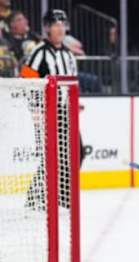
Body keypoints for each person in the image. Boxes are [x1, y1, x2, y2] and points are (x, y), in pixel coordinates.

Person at [20, 9, 84, 210]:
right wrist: (36, 108)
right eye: (55, 24)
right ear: (47, 28)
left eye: (62, 24)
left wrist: (76, 103)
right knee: (53, 155)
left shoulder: (68, 55)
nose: (60, 28)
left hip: (66, 111)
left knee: (77, 151)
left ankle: (60, 195)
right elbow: (26, 82)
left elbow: (72, 83)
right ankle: (38, 198)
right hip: (48, 112)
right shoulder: (39, 52)